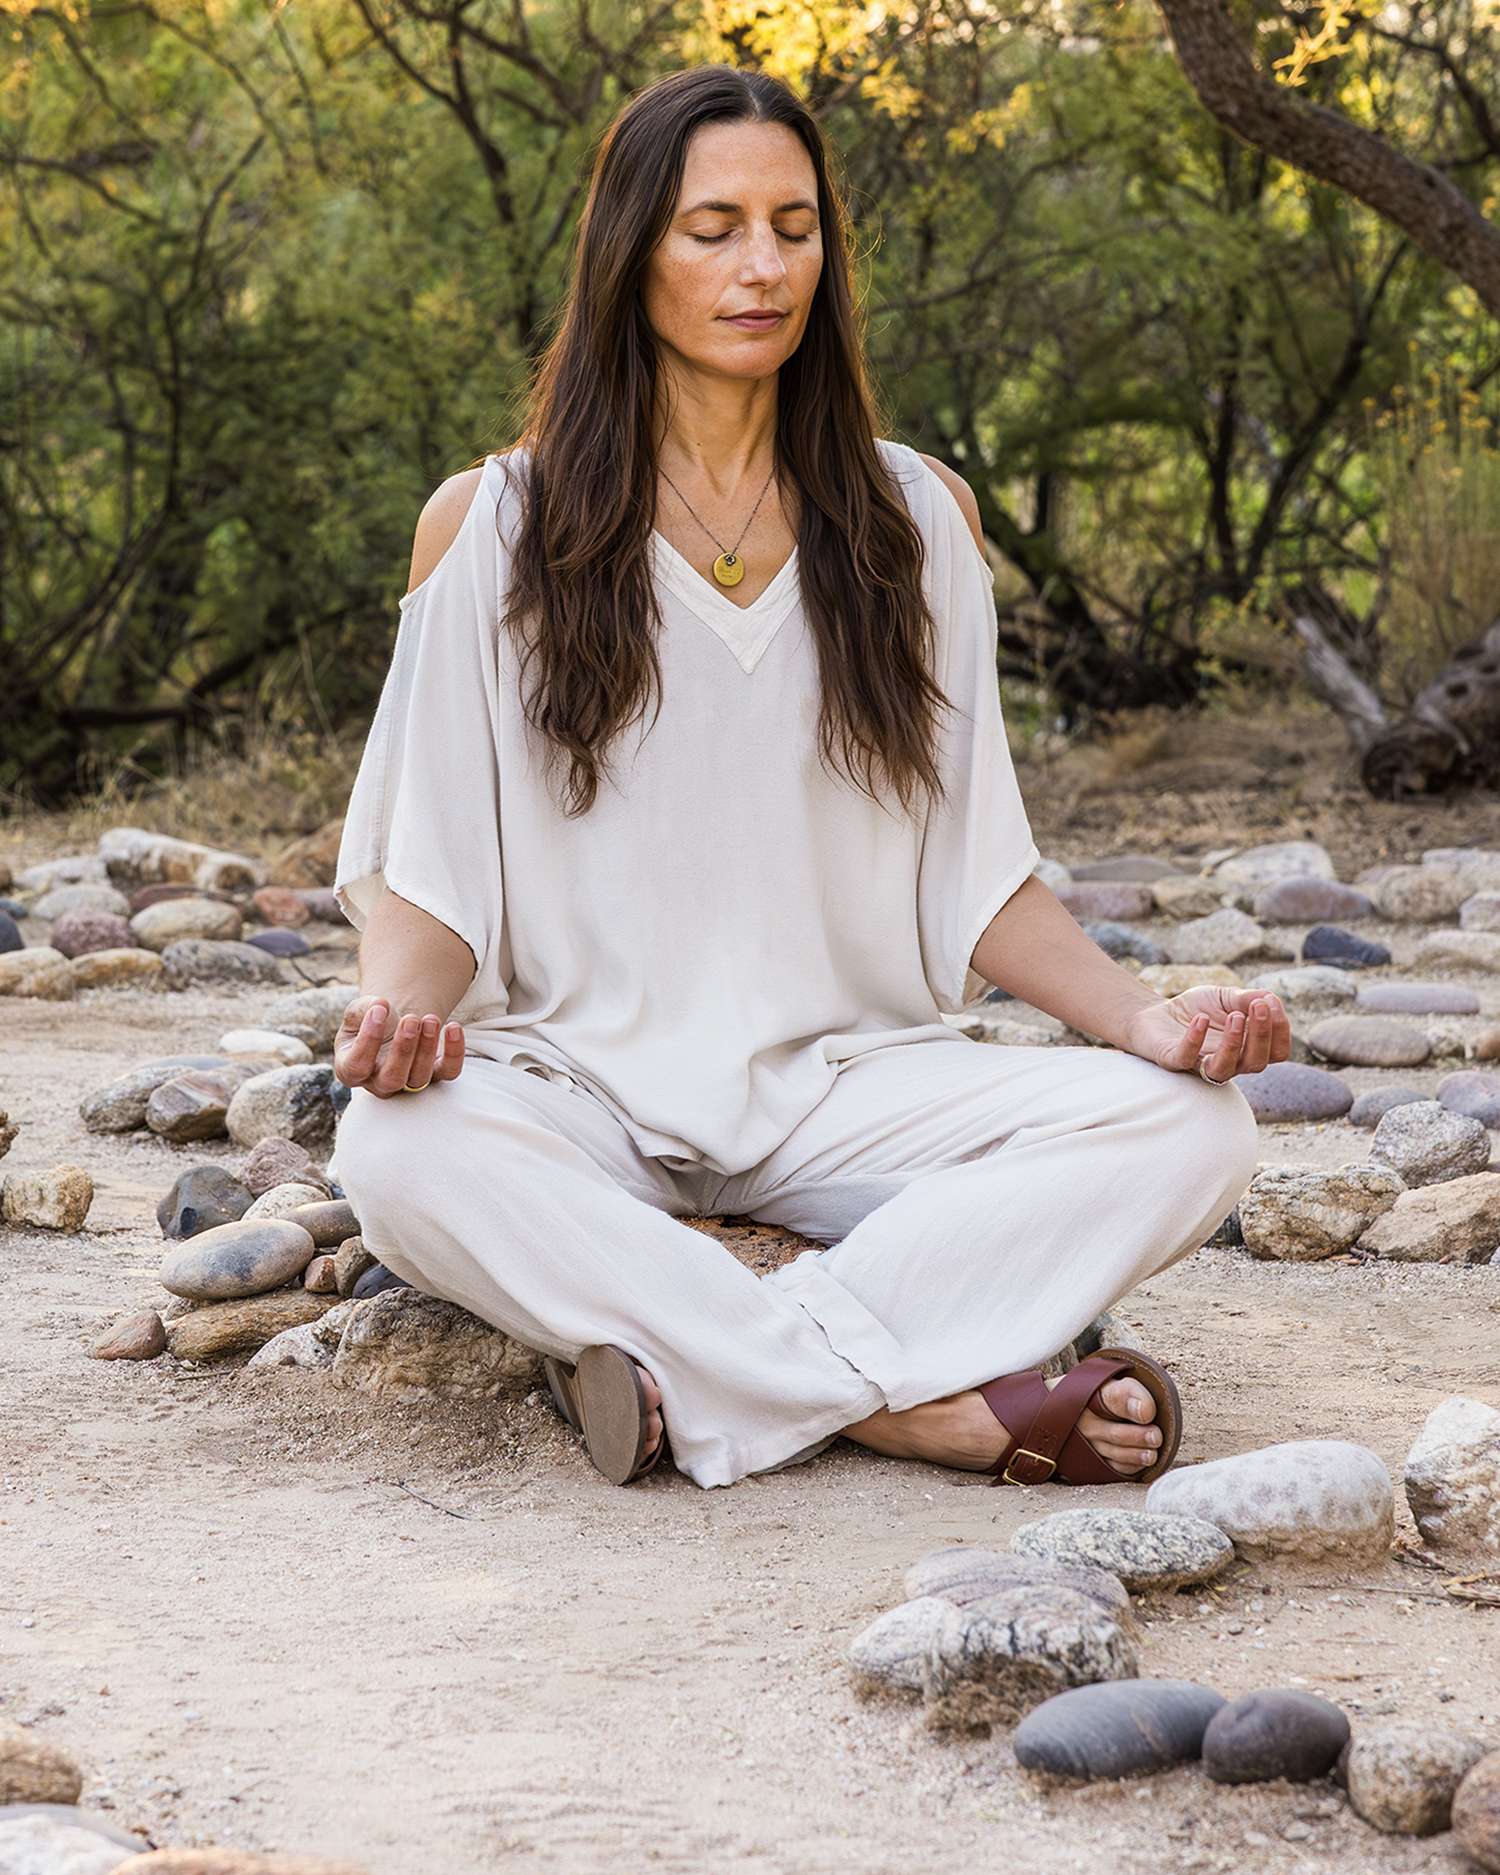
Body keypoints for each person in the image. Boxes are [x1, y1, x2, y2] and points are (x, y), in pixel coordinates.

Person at [327, 64, 1284, 1493]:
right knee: (399, 1157)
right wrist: (391, 1023)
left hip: (851, 1086)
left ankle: (730, 1356)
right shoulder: (494, 525)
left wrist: (1151, 1022)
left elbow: (975, 881)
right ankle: (899, 1398)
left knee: (1194, 1130)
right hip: (578, 1083)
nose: (763, 266)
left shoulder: (917, 519)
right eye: (713, 227)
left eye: (794, 224)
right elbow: (436, 871)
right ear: (630, 249)